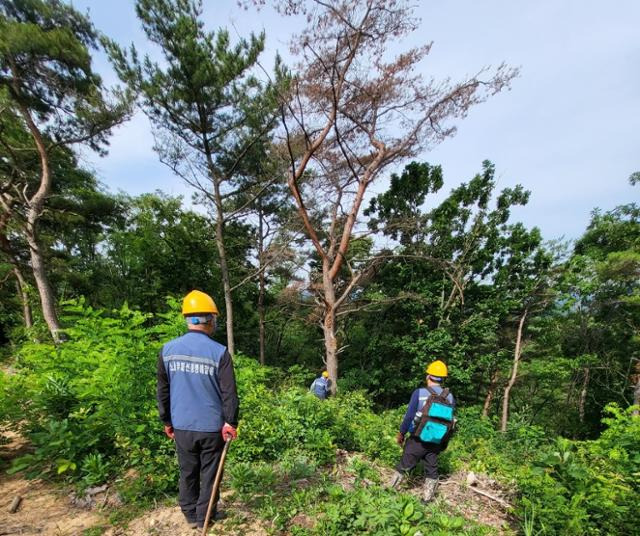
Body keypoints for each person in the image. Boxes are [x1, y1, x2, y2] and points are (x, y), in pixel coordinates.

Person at [157, 290, 239, 530]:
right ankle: (205, 516)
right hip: (211, 427)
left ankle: (190, 514)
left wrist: (167, 420)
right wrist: (230, 422)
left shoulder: (167, 350)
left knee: (188, 470)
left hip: (182, 425)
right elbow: (229, 394)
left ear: (188, 319)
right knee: (210, 474)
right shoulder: (220, 353)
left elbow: (162, 391)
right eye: (214, 318)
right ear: (209, 319)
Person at [389, 360, 455, 502]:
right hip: (436, 440)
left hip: (417, 438)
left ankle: (389, 491)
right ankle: (426, 499)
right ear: (442, 378)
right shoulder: (449, 396)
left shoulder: (419, 393)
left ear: (428, 376)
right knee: (432, 470)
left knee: (404, 466)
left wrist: (401, 433)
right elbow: (450, 421)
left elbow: (409, 416)